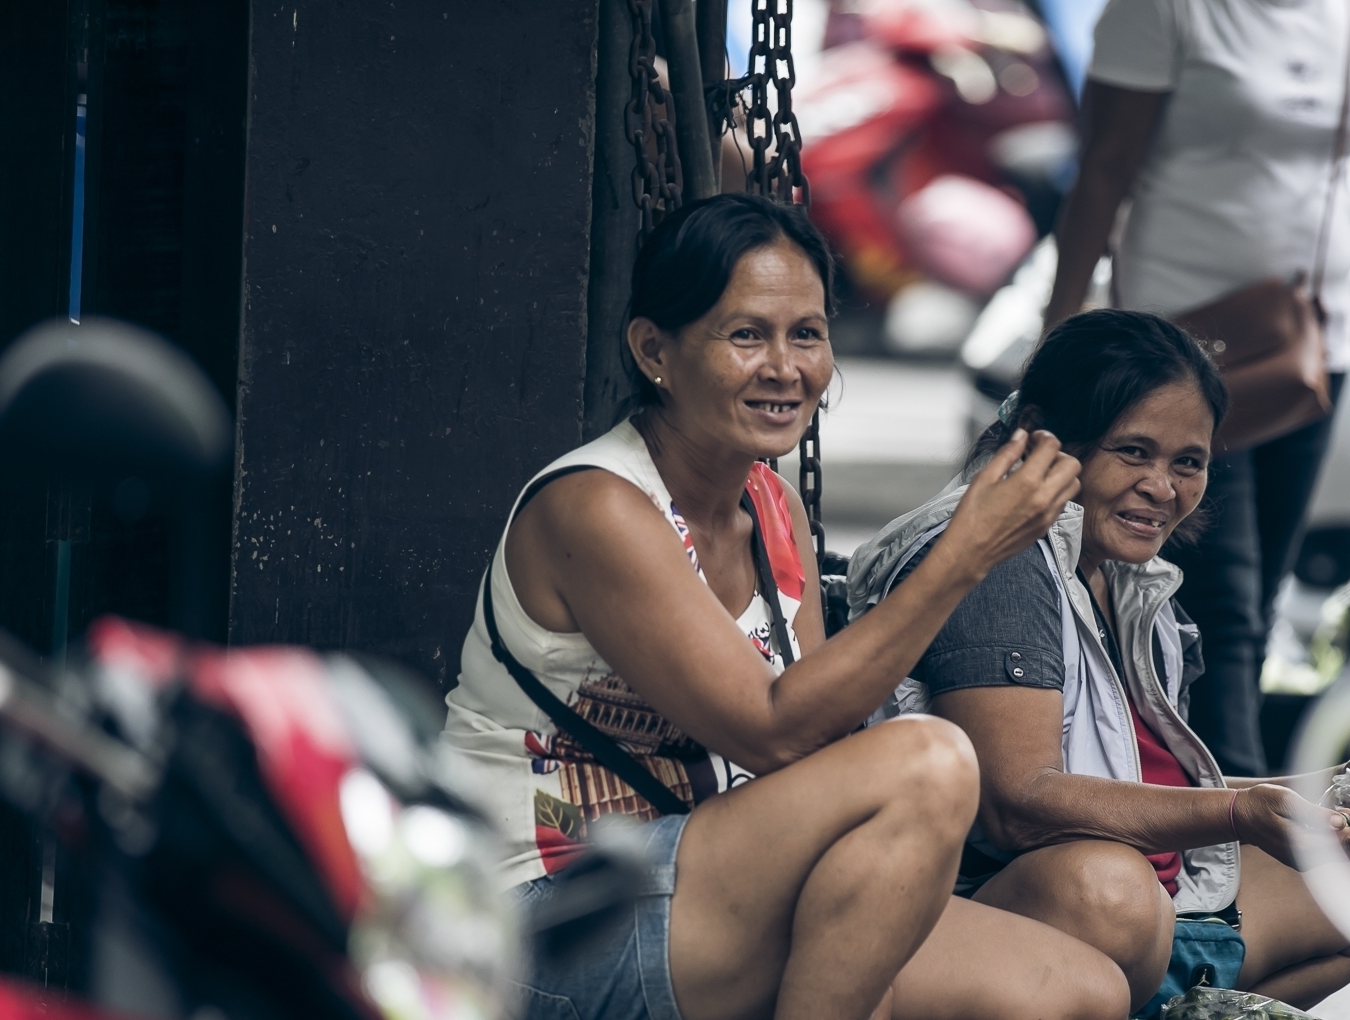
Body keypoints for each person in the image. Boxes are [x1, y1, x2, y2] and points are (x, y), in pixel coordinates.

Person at [440, 194, 1128, 1020]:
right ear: (654, 349)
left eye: (806, 334)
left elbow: (816, 753)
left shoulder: (772, 506)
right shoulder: (596, 506)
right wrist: (964, 555)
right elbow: (772, 729)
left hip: (704, 892)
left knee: (1087, 993)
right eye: (746, 335)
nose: (786, 367)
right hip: (542, 920)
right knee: (931, 761)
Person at [849, 310, 1350, 1014]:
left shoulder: (1126, 577)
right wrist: (1240, 812)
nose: (1163, 487)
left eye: (1189, 462)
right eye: (1133, 452)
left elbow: (1141, 780)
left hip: (1159, 902)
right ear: (1042, 437)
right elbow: (1019, 805)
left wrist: (1320, 788)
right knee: (1108, 891)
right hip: (996, 909)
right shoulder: (1000, 562)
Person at [1042, 0, 1350, 775]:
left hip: (1312, 348)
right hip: (1178, 350)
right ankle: (1238, 814)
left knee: (1259, 596)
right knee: (1221, 598)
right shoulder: (1165, 10)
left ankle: (1197, 793)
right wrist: (1059, 334)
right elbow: (1104, 168)